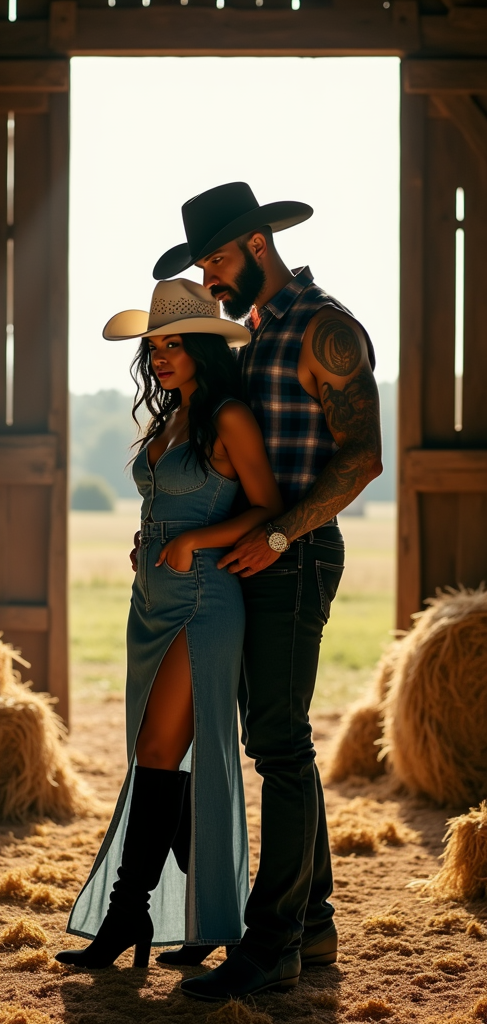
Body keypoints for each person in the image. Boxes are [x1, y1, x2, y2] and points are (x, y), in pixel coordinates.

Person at [152, 182, 383, 1001]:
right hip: (256, 553)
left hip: (299, 553)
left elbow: (362, 458)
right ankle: (310, 925)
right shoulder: (250, 332)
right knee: (274, 738)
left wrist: (281, 534)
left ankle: (272, 945)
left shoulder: (326, 330)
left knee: (279, 744)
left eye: (216, 260)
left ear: (257, 244)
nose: (210, 280)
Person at [56, 278, 283, 971]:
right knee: (155, 757)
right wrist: (149, 540)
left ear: (204, 351)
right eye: (153, 347)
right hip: (150, 602)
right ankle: (207, 913)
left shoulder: (230, 418)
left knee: (162, 753)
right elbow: (166, 503)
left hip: (204, 601)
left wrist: (195, 542)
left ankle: (128, 915)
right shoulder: (168, 423)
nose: (159, 357)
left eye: (174, 345)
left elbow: (268, 506)